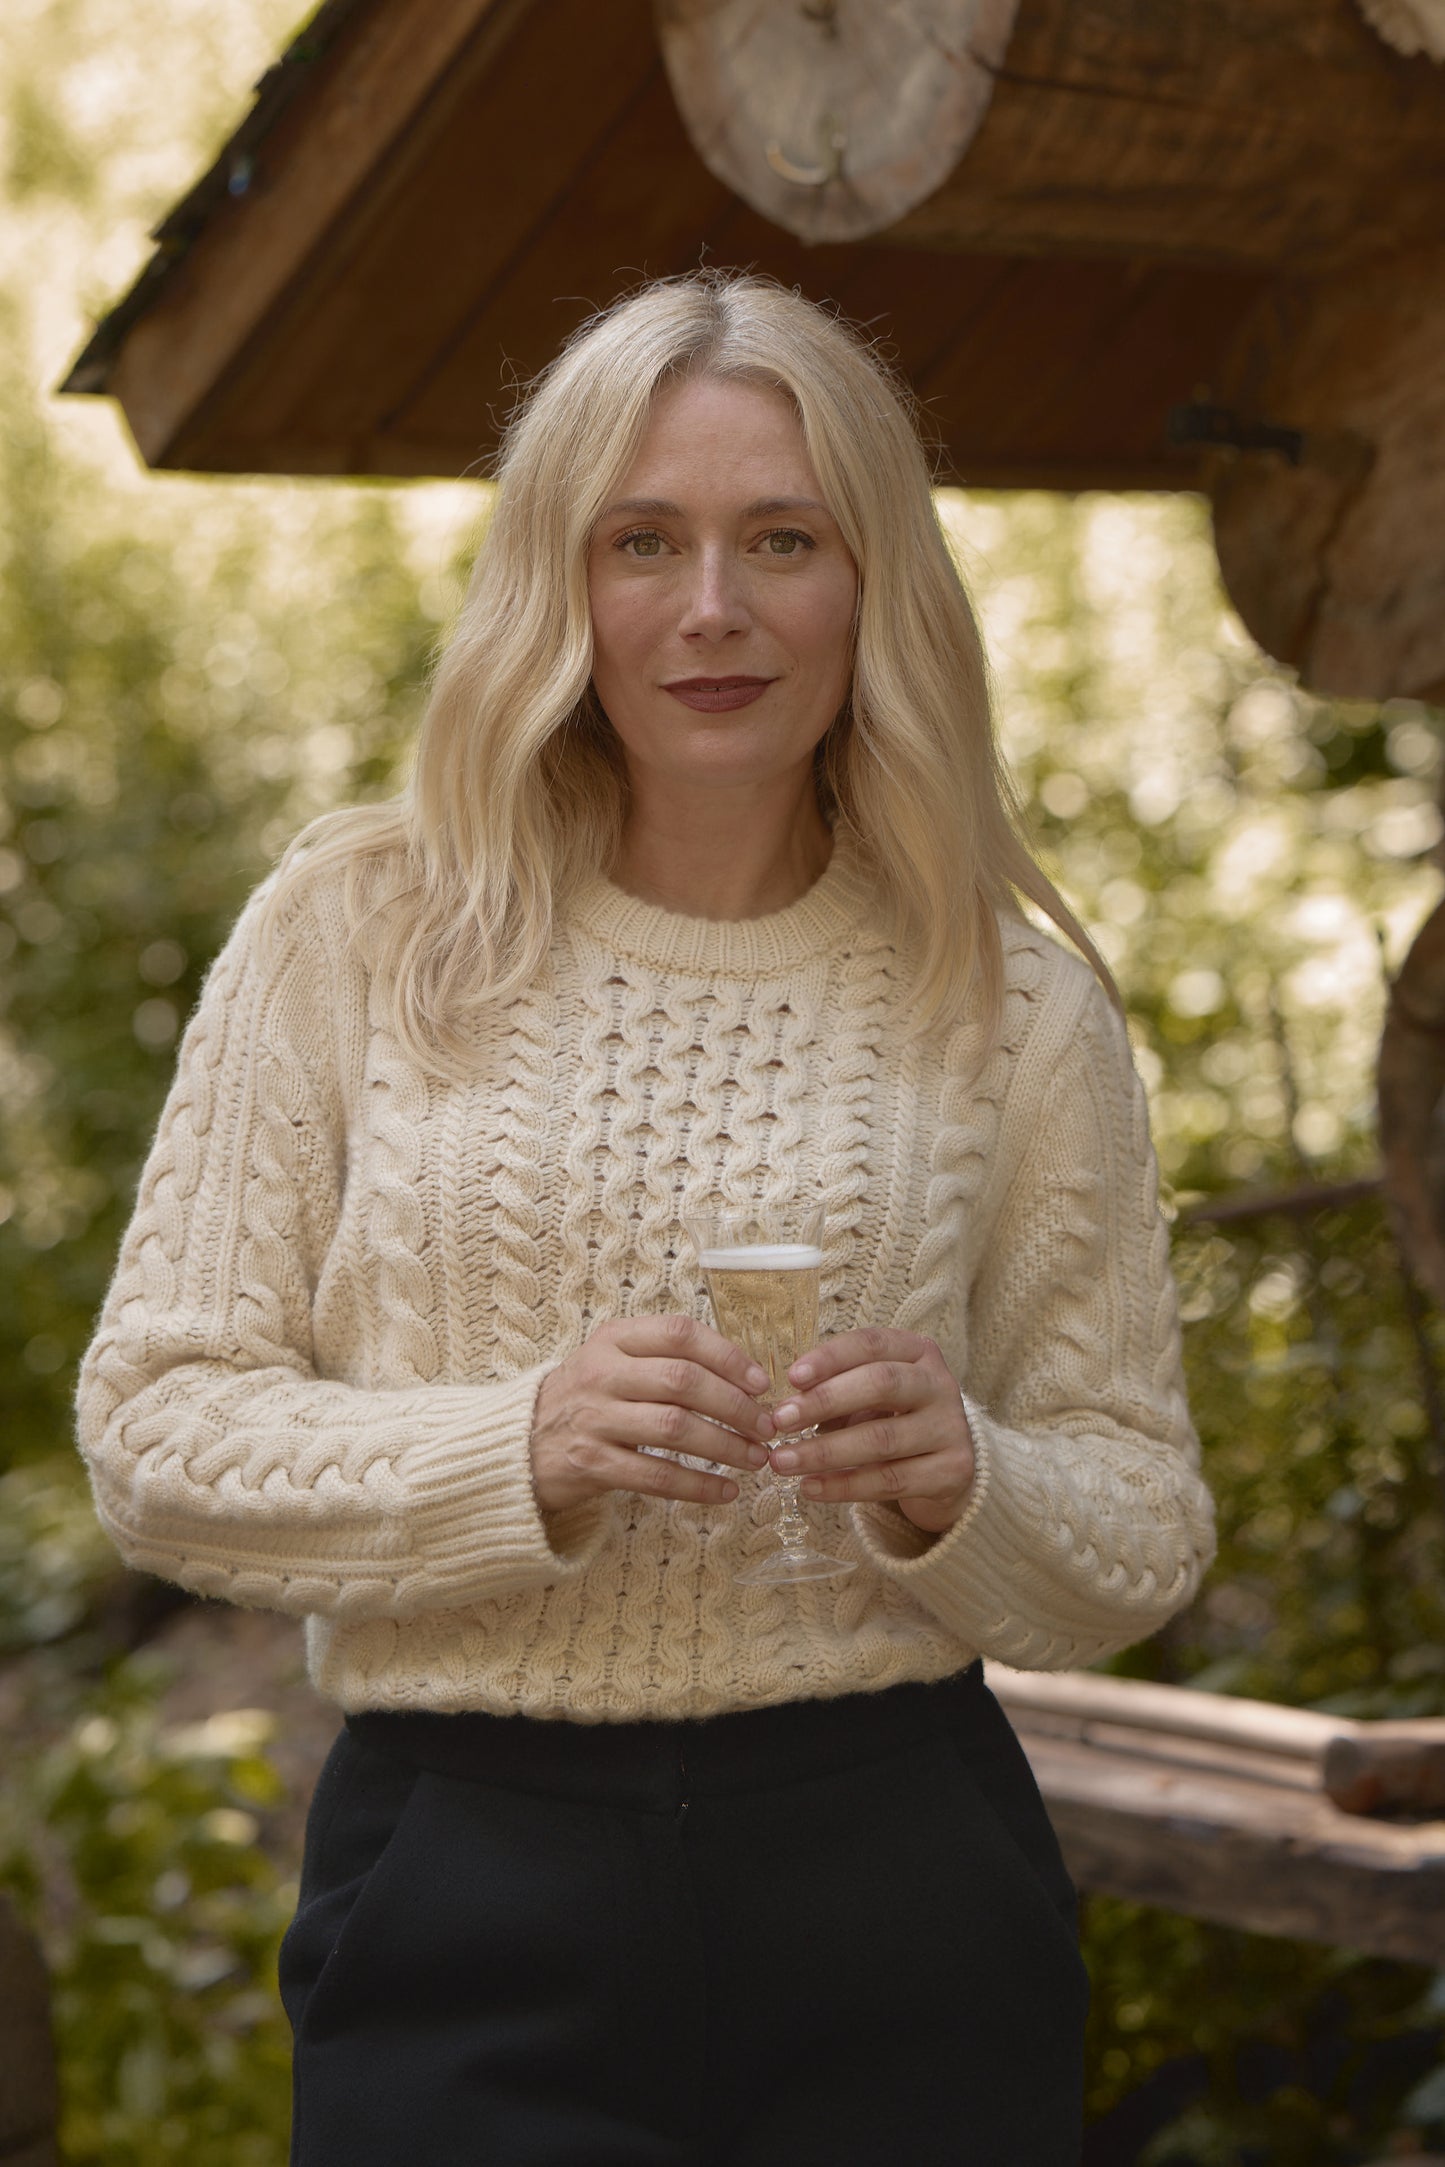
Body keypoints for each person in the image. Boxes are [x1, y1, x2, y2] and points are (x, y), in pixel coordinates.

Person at [76, 270, 1216, 2166]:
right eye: (642, 541)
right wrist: (505, 1445)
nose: (712, 608)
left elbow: (1143, 1514)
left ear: (875, 583)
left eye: (783, 536)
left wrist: (965, 1484)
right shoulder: (357, 930)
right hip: (465, 1881)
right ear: (558, 580)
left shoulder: (1009, 1004)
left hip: (899, 1882)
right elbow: (157, 1431)